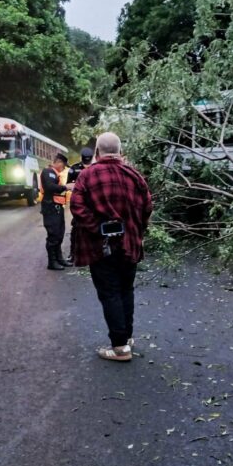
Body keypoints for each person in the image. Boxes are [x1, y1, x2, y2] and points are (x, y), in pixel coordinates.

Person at [70, 132, 153, 362]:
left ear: (97, 153)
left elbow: (77, 207)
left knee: (110, 294)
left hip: (100, 247)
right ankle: (126, 337)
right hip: (130, 244)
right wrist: (137, 229)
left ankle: (119, 348)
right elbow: (147, 207)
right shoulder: (135, 176)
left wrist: (98, 227)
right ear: (120, 152)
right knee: (126, 290)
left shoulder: (87, 176)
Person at [41, 152, 74, 270]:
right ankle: (52, 262)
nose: (63, 168)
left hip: (57, 207)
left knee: (59, 234)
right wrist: (66, 187)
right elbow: (49, 187)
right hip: (50, 208)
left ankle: (59, 259)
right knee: (53, 235)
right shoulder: (48, 172)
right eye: (63, 165)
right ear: (58, 162)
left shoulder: (55, 174)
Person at [66, 147, 94, 261]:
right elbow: (68, 184)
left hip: (93, 202)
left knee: (93, 226)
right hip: (79, 202)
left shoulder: (96, 167)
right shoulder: (74, 169)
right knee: (76, 227)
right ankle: (73, 253)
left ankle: (92, 253)